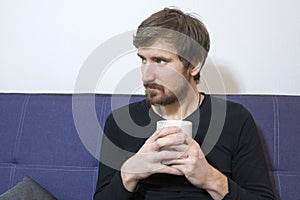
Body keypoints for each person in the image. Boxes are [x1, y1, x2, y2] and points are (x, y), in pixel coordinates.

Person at [94, 8, 275, 200]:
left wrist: (211, 179)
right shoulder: (121, 121)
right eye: (143, 60)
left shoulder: (235, 119)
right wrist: (130, 173)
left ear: (194, 64)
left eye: (160, 61)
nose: (146, 76)